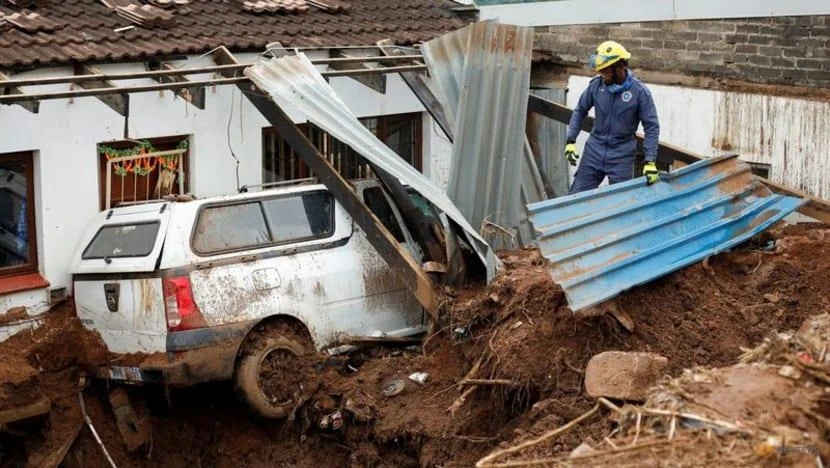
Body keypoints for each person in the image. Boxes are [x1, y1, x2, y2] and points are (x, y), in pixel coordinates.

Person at [564, 40, 660, 194]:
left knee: (621, 200)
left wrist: (650, 160)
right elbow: (580, 110)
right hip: (594, 150)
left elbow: (652, 127)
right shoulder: (596, 86)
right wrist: (570, 140)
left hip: (622, 155)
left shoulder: (639, 92)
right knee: (575, 197)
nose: (602, 75)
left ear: (619, 67)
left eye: (605, 71)